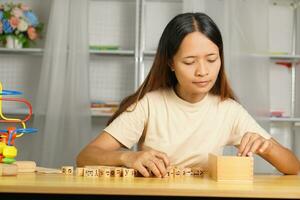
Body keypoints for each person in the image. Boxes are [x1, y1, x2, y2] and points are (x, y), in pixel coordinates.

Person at [77, 12, 300, 177]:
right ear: (170, 63)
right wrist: (128, 157)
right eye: (189, 62)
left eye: (212, 60)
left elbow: (294, 167)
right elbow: (86, 157)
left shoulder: (228, 110)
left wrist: (268, 146)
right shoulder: (150, 105)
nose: (203, 71)